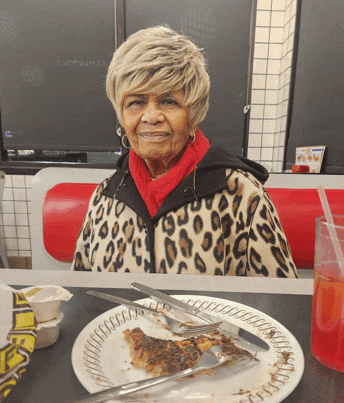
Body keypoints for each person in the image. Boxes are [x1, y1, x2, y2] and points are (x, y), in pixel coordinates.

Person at [72, 25, 298, 277]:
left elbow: (276, 300)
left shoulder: (241, 193)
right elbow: (85, 294)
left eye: (169, 101)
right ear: (122, 116)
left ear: (193, 114)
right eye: (136, 102)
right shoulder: (106, 196)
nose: (151, 116)